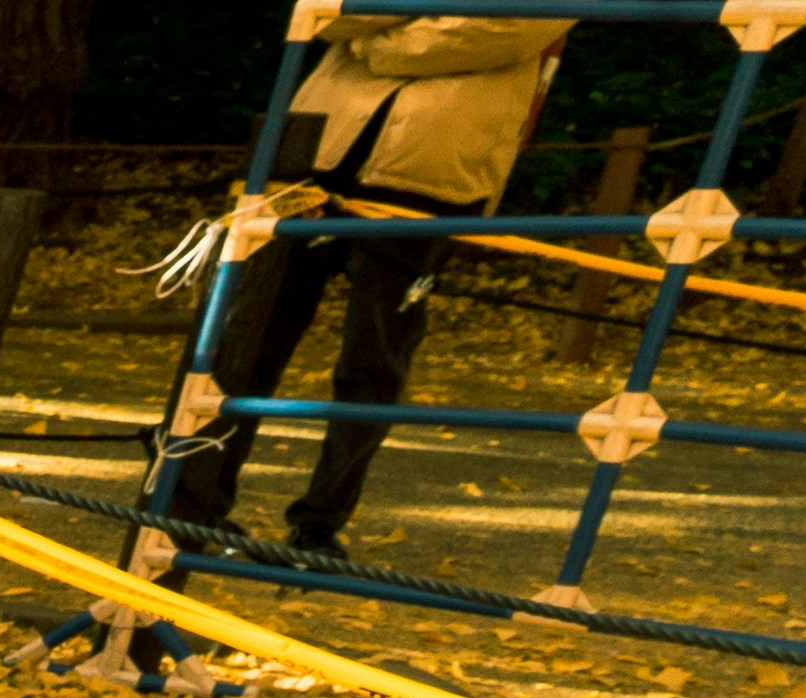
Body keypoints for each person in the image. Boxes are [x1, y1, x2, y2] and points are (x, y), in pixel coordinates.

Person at [161, 11, 571, 561]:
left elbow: (508, 28)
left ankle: (320, 522)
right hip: (313, 149)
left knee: (374, 361)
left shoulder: (385, 52)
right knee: (247, 339)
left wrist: (379, 44)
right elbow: (329, 9)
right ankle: (192, 508)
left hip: (435, 171)